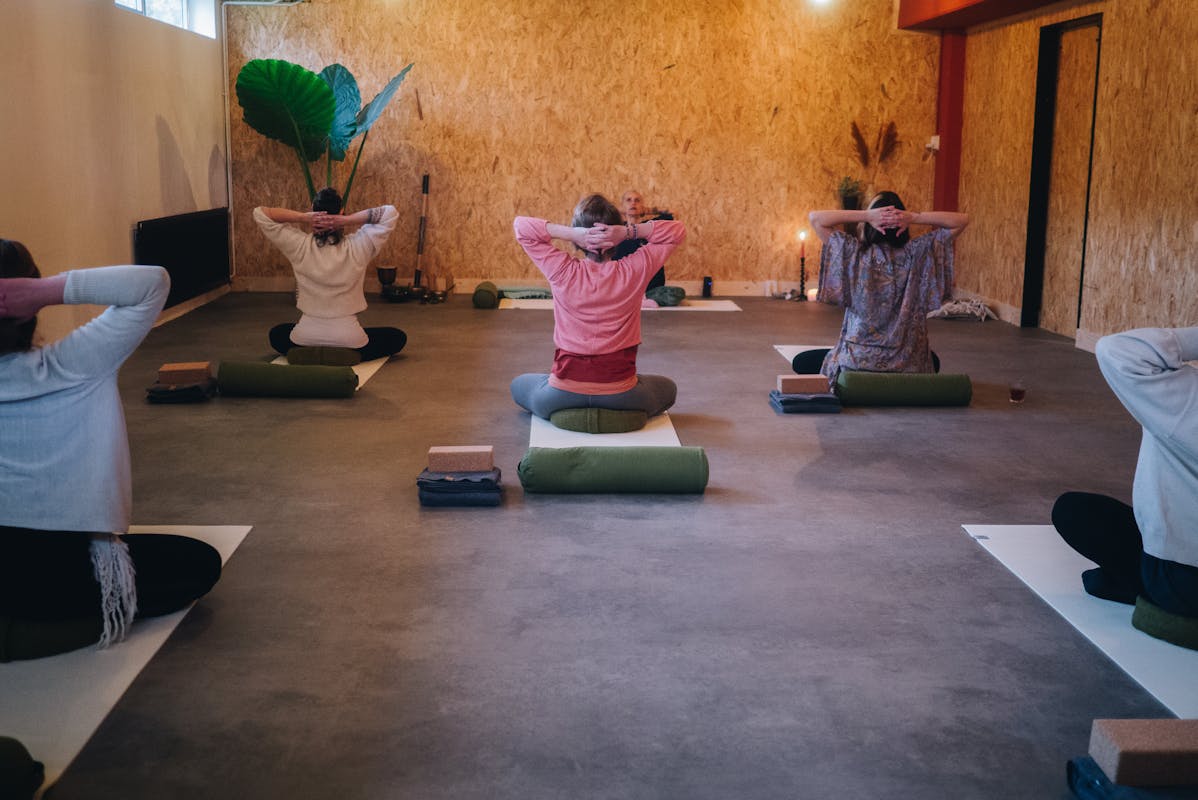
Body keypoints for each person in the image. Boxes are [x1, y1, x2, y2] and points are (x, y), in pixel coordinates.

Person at [0, 240, 221, 660]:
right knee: (198, 563)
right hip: (53, 576)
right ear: (27, 305)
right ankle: (30, 633)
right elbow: (152, 284)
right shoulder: (75, 365)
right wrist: (46, 291)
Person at [1052, 327, 1198, 618]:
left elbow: (1116, 350)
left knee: (1072, 512)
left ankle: (1141, 586)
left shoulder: (1186, 399)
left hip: (1180, 578)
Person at [510, 194, 686, 419]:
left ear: (579, 240)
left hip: (563, 393)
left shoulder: (561, 270)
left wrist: (573, 234)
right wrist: (627, 232)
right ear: (616, 237)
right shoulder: (634, 271)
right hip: (621, 393)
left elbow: (521, 227)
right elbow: (677, 231)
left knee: (519, 384)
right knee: (668, 388)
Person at [795, 191, 969, 382]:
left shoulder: (855, 252)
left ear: (871, 223)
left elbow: (816, 218)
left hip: (857, 364)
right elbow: (961, 220)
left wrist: (866, 216)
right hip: (909, 366)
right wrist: (914, 217)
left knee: (803, 361)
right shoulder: (919, 252)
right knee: (933, 361)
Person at [254, 187, 407, 362]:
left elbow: (261, 213)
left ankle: (312, 353)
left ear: (312, 210)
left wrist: (303, 217)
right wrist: (346, 220)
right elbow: (389, 213)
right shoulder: (358, 246)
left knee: (277, 334)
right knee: (396, 337)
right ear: (341, 212)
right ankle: (345, 354)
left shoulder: (299, 246)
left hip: (305, 337)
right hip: (349, 338)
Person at [611, 189, 674, 293]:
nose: (633, 203)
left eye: (637, 200)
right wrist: (622, 210)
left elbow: (671, 213)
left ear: (642, 206)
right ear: (622, 206)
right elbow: (597, 215)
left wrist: (647, 210)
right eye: (628, 200)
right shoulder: (616, 228)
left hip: (651, 287)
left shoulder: (652, 226)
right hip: (624, 288)